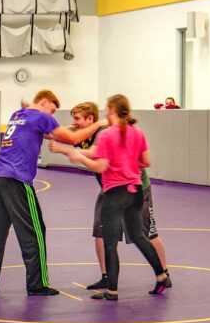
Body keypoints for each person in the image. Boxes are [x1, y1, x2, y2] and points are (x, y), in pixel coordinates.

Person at [0, 89, 87, 297]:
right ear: (44, 102)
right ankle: (37, 284)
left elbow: (46, 131)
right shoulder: (40, 116)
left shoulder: (18, 115)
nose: (51, 116)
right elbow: (71, 139)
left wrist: (31, 107)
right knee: (35, 232)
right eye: (51, 110)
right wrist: (99, 123)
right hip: (17, 179)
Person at [52, 101, 170, 292]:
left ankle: (163, 272)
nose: (74, 123)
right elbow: (61, 133)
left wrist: (73, 152)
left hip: (133, 185)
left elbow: (97, 158)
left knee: (146, 233)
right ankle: (109, 277)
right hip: (110, 187)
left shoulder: (103, 133)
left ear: (93, 118)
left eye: (77, 119)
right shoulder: (94, 131)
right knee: (102, 232)